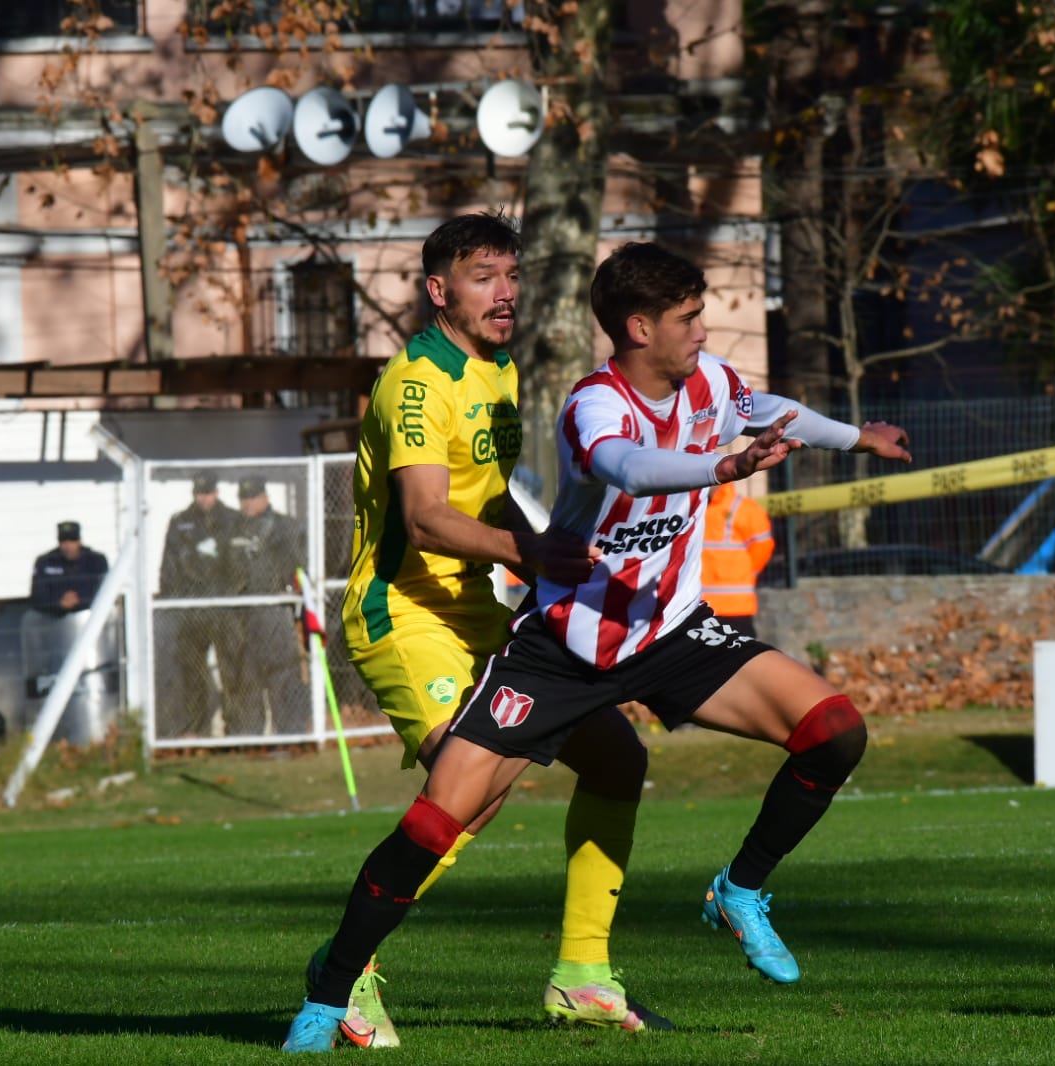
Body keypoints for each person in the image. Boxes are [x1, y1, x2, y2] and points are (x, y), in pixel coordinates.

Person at [282, 241, 912, 1051]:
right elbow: (627, 467)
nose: (704, 331)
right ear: (640, 327)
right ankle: (335, 987)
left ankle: (732, 895)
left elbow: (770, 410)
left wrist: (859, 438)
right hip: (559, 643)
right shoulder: (590, 406)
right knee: (448, 812)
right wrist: (720, 465)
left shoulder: (695, 380)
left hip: (669, 626)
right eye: (689, 319)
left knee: (831, 730)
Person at [313, 212, 655, 1049]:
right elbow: (427, 520)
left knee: (617, 758)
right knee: (470, 789)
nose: (505, 294)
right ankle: (349, 970)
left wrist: (556, 553)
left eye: (511, 275)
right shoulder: (417, 383)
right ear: (440, 291)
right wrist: (534, 549)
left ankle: (581, 976)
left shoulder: (496, 369)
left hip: (476, 607)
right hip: (404, 612)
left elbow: (486, 498)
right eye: (483, 277)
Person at [158, 472, 245, 736]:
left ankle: (236, 728)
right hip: (193, 607)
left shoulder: (232, 520)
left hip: (224, 607)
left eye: (207, 492)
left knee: (231, 669)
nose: (203, 498)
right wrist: (172, 598)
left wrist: (234, 597)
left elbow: (241, 564)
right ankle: (196, 729)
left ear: (216, 492)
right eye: (199, 493)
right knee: (192, 670)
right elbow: (169, 564)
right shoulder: (181, 521)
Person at [227, 478, 305, 735]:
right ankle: (249, 738)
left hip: (274, 609)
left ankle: (290, 736)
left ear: (264, 497)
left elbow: (299, 564)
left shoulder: (284, 526)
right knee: (246, 677)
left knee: (282, 674)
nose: (247, 503)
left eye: (252, 498)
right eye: (243, 499)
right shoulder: (234, 527)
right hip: (242, 613)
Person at [702, 481, 775, 639]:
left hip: (735, 608)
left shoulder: (744, 508)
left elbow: (763, 547)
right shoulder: (695, 508)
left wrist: (748, 573)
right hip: (700, 606)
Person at [30, 521, 110, 615]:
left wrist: (79, 600)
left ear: (79, 541)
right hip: (53, 620)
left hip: (90, 617)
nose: (68, 546)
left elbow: (104, 592)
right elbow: (37, 596)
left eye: (72, 541)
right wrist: (59, 603)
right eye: (64, 541)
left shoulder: (96, 561)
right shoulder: (46, 561)